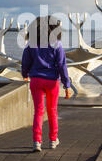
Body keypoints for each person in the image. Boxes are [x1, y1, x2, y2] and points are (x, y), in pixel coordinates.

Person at [21, 15, 72, 152]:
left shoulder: (31, 43)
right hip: (52, 82)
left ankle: (37, 142)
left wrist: (24, 74)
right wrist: (66, 85)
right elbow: (62, 65)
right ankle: (53, 140)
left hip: (36, 80)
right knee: (52, 111)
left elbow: (25, 61)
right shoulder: (57, 44)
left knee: (38, 111)